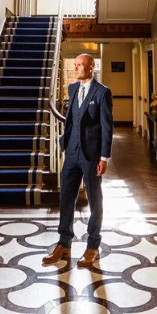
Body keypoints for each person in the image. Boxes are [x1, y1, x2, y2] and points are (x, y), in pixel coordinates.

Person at [44, 53, 115, 270]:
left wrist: (104, 157)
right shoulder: (73, 89)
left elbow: (106, 127)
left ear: (91, 67)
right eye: (74, 65)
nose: (75, 68)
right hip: (72, 153)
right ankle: (64, 242)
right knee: (66, 198)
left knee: (95, 200)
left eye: (80, 65)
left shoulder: (102, 92)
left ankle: (92, 245)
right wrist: (63, 143)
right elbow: (70, 120)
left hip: (92, 156)